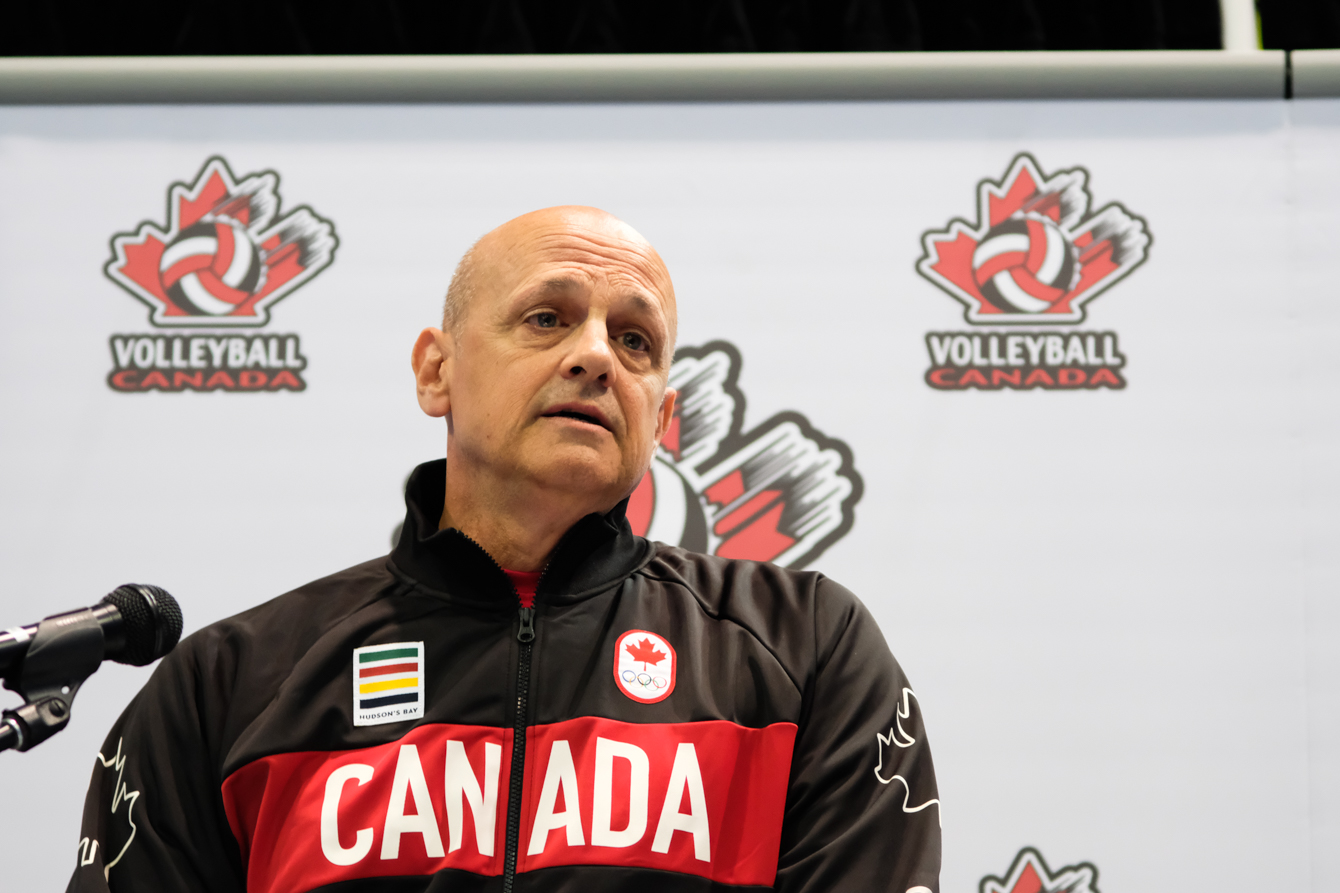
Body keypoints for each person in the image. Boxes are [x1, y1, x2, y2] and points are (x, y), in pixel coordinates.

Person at [68, 206, 940, 893]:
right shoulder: (227, 686)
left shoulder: (805, 650)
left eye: (635, 340)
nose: (596, 355)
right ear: (435, 372)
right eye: (548, 318)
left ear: (660, 419)